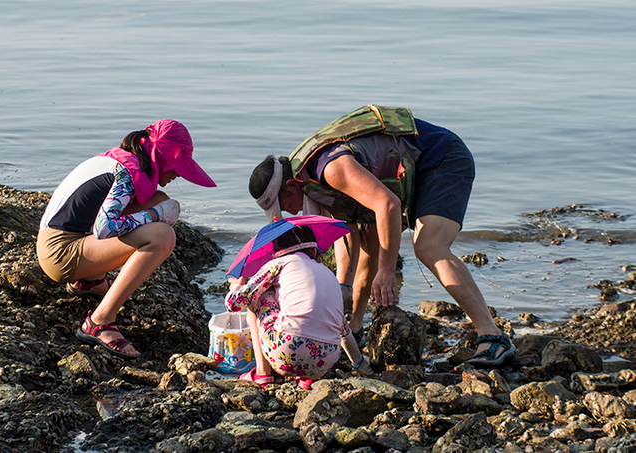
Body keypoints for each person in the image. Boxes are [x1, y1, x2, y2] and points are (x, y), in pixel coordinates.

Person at [248, 105, 516, 368]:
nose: (288, 212)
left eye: (284, 205)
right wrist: (343, 288)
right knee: (372, 244)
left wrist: (387, 271)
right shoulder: (312, 186)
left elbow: (388, 204)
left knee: (428, 246)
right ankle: (356, 327)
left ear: (291, 186)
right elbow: (349, 237)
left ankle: (491, 335)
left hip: (440, 158)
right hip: (409, 172)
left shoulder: (330, 169)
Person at [37, 119, 216, 358]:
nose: (178, 175)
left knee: (159, 198)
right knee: (163, 237)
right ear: (162, 157)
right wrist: (155, 215)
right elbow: (105, 228)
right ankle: (100, 322)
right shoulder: (125, 173)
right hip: (60, 254)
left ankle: (89, 279)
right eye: (177, 167)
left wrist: (156, 209)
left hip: (60, 241)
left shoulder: (121, 159)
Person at [225, 226, 374, 389]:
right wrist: (361, 365)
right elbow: (344, 330)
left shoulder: (279, 263)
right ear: (313, 248)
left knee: (260, 294)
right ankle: (307, 379)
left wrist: (237, 284)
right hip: (325, 361)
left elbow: (234, 303)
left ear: (277, 250)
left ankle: (263, 374)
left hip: (285, 353)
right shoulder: (329, 274)